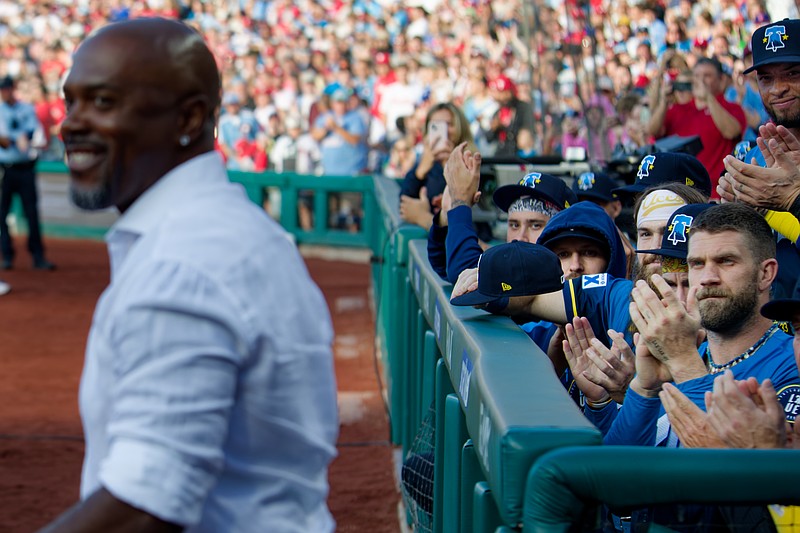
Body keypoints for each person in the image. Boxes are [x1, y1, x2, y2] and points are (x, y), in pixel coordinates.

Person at [43, 18, 339, 532]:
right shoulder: (223, 228)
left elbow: (145, 506)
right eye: (72, 102)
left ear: (190, 118)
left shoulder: (182, 262)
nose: (72, 123)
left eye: (104, 102)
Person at [647, 57, 746, 200]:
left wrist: (708, 98)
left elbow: (731, 132)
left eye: (707, 76)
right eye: (697, 76)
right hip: (683, 195)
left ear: (721, 80)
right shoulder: (678, 109)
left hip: (718, 194)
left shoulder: (732, 108)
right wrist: (663, 101)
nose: (701, 81)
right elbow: (653, 131)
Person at [0, 75, 54, 271]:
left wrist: (20, 138)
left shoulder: (26, 108)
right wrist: (16, 140)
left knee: (31, 213)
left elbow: (33, 133)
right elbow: (4, 141)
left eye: (7, 89)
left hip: (25, 168)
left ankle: (38, 255)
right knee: (2, 214)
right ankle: (7, 255)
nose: (5, 93)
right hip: (5, 170)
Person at [399, 102, 475, 230]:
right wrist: (421, 170)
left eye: (449, 124)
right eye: (436, 126)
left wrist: (451, 164)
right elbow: (404, 206)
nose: (444, 131)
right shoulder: (425, 165)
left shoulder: (473, 163)